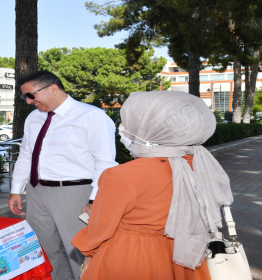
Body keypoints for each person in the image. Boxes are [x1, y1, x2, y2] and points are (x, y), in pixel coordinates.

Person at [72, 91, 229, 279]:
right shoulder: (198, 164)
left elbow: (100, 229)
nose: (121, 127)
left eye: (127, 122)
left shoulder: (121, 175)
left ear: (149, 128)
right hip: (186, 254)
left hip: (133, 257)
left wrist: (89, 259)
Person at [7, 70, 118, 279]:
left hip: (76, 193)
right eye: (25, 97)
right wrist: (16, 190)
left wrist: (95, 199)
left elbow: (105, 162)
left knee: (81, 253)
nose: (29, 102)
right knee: (41, 252)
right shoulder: (34, 118)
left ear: (53, 89)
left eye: (31, 95)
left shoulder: (92, 116)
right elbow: (26, 155)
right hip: (37, 191)